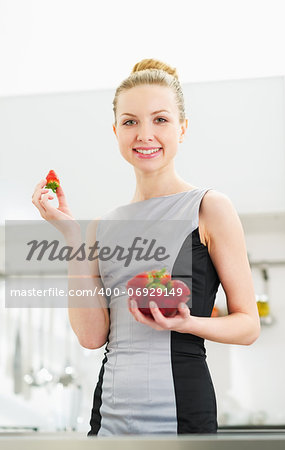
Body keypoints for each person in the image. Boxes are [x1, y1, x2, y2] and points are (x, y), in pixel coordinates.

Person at [32, 58, 260, 436]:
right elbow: (91, 338)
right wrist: (72, 236)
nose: (144, 134)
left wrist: (188, 323)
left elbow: (248, 326)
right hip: (108, 419)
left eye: (160, 119)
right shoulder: (100, 228)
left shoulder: (208, 208)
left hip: (183, 414)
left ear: (182, 128)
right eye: (130, 121)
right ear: (116, 130)